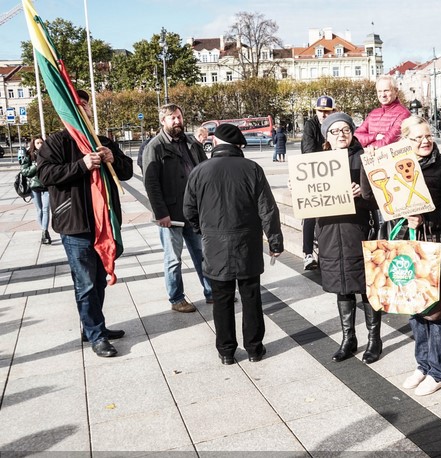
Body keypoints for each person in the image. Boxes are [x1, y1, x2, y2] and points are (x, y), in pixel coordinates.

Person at [363, 115, 441, 396]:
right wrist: (367, 163)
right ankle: (423, 364)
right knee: (412, 308)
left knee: (435, 311)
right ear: (403, 140)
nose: (425, 141)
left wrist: (426, 219)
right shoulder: (392, 166)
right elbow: (373, 198)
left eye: (428, 135)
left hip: (434, 248)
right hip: (402, 248)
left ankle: (439, 371)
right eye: (417, 137)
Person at [37, 89, 134, 357]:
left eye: (85, 105)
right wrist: (81, 165)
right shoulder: (56, 142)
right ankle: (96, 334)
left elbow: (126, 172)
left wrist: (114, 158)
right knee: (86, 282)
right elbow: (45, 175)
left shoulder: (103, 141)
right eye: (76, 106)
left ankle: (92, 325)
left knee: (100, 279)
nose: (83, 110)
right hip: (75, 225)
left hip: (104, 222)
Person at [184, 123, 283, 365]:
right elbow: (267, 209)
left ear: (215, 143)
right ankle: (254, 348)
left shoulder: (200, 170)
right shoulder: (252, 169)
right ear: (239, 145)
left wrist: (203, 231)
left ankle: (226, 351)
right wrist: (275, 241)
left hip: (215, 243)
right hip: (247, 243)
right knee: (251, 297)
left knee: (221, 299)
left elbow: (188, 209)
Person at [317, 112, 381, 364]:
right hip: (330, 233)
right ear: (327, 137)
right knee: (341, 287)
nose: (341, 135)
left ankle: (374, 339)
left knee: (366, 286)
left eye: (345, 129)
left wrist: (363, 193)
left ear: (353, 132)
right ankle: (348, 339)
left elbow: (383, 199)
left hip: (359, 229)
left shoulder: (366, 159)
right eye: (335, 131)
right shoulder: (316, 163)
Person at [142, 103, 213, 313]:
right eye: (172, 118)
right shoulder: (154, 147)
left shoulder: (192, 142)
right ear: (163, 121)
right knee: (173, 259)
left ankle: (211, 292)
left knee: (202, 254)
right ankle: (176, 298)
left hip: (194, 211)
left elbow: (205, 172)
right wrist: (160, 213)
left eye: (179, 117)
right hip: (171, 214)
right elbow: (151, 183)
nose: (177, 121)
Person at [300, 95, 335, 270]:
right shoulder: (310, 125)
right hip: (313, 171)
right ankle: (307, 253)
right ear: (316, 111)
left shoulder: (335, 124)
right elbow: (307, 150)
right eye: (321, 111)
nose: (324, 114)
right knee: (310, 213)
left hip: (332, 172)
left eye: (327, 111)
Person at [355, 75, 411, 148]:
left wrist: (367, 147)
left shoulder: (404, 114)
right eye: (379, 91)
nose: (383, 95)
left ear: (396, 91)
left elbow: (387, 142)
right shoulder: (373, 113)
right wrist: (375, 136)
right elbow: (356, 137)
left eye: (386, 91)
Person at [21, 136, 51, 245]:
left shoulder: (48, 153)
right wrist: (36, 166)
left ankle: (45, 232)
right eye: (38, 143)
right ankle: (44, 230)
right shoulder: (28, 155)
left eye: (42, 142)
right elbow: (25, 171)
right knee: (39, 209)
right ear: (34, 144)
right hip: (34, 186)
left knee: (46, 209)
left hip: (47, 185)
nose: (40, 145)